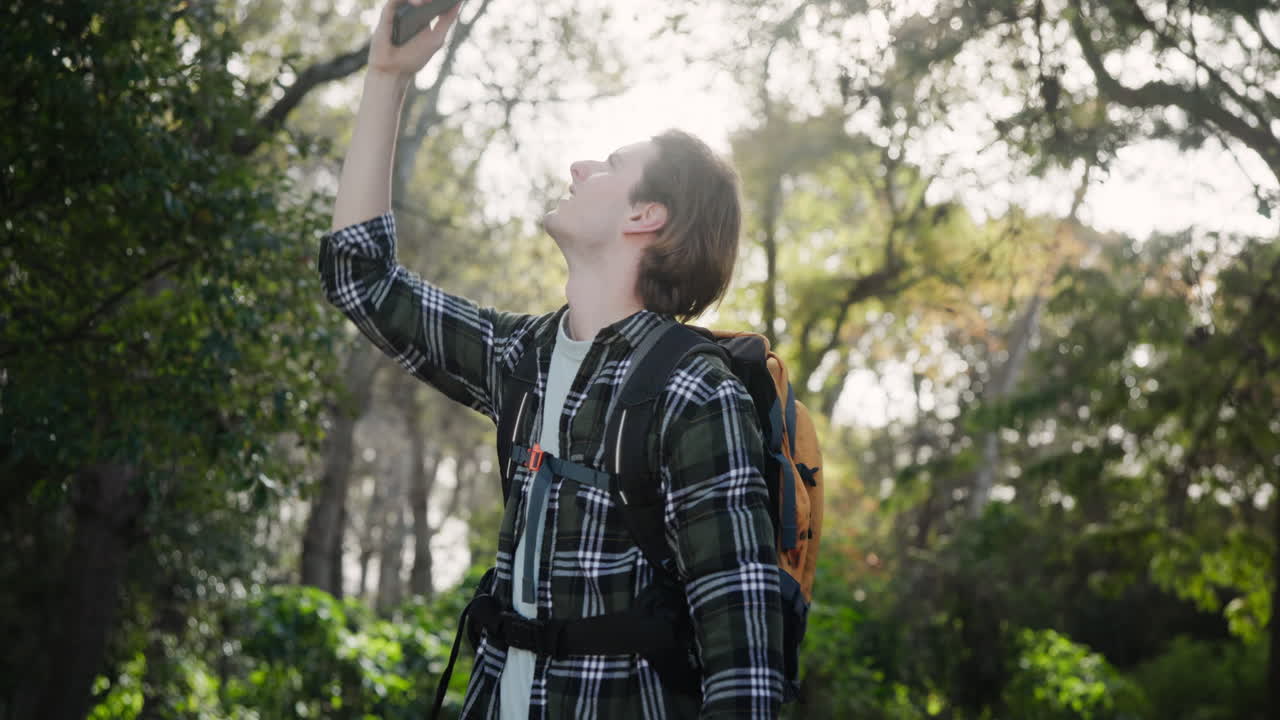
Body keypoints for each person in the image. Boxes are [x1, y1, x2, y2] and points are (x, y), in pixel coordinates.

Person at [318, 1, 783, 717]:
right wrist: (387, 77)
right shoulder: (523, 356)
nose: (579, 166)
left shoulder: (695, 393)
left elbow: (746, 672)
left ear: (645, 216)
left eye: (611, 165)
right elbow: (362, 280)